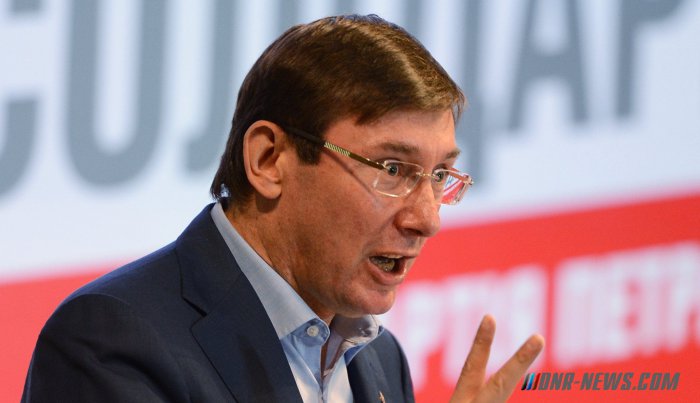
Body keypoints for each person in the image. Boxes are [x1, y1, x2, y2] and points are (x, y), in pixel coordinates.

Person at [22, 14, 543, 402]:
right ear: (269, 160)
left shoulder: (381, 360)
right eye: (391, 169)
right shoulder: (112, 342)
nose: (427, 219)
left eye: (439, 176)